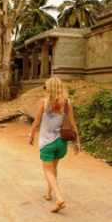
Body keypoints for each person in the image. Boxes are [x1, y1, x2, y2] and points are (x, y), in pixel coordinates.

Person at [29, 77, 81, 213]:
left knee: (47, 171)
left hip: (47, 143)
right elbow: (73, 124)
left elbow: (36, 122)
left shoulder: (43, 103)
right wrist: (78, 142)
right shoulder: (67, 103)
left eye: (45, 87)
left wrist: (31, 135)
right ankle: (48, 193)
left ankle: (59, 198)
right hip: (61, 143)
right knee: (53, 168)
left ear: (49, 89)